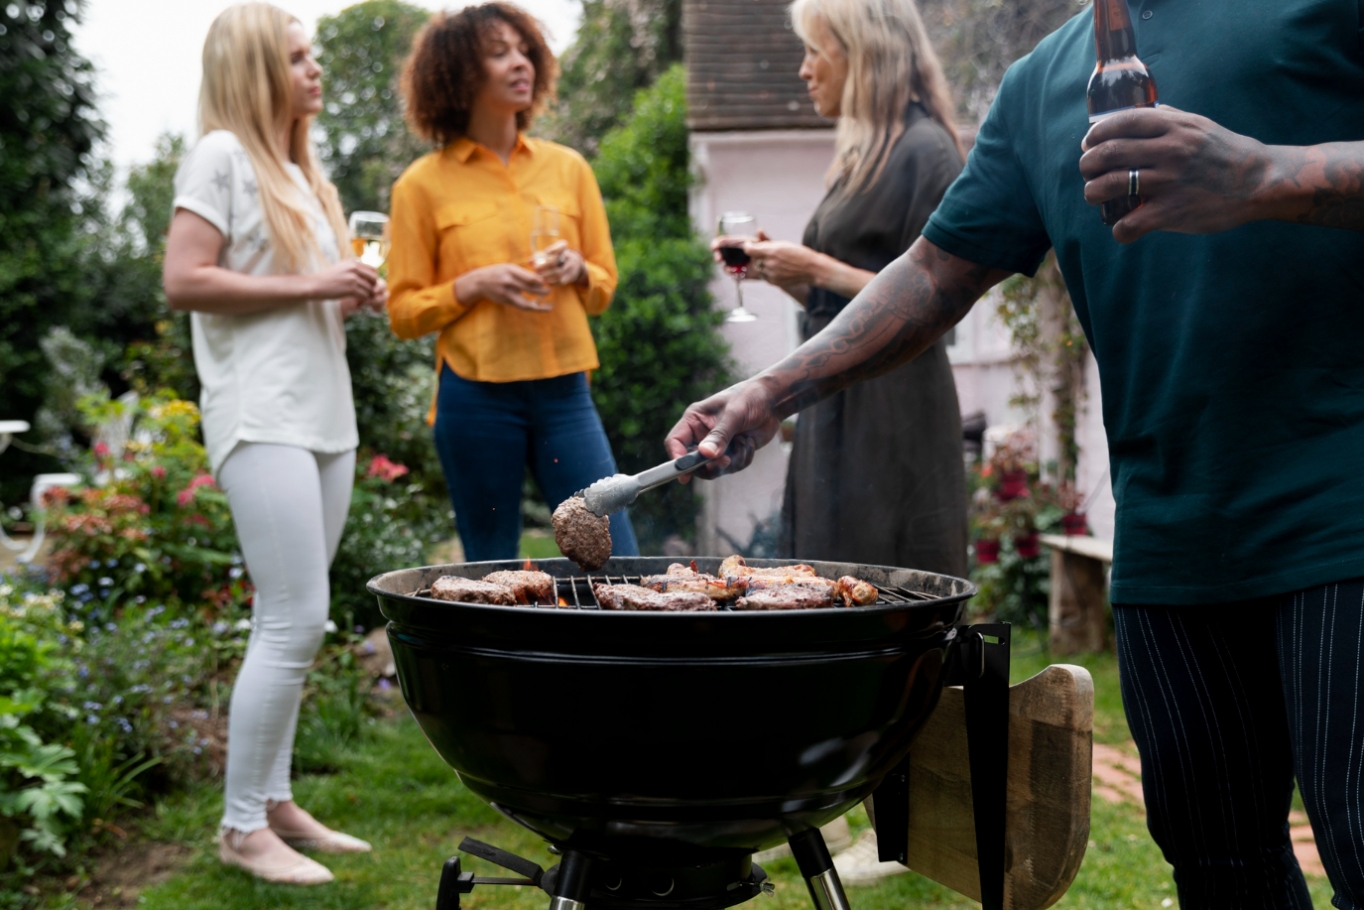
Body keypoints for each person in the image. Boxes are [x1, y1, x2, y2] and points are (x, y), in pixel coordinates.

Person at [666, 0, 1364, 906]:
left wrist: (1262, 172)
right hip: (1171, 533)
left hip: (1345, 501)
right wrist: (772, 390)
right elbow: (934, 272)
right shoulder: (1042, 82)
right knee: (1219, 864)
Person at [163, 3, 385, 885]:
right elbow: (185, 279)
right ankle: (240, 827)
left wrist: (341, 296)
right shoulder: (218, 155)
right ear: (255, 72)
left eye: (312, 54)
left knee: (297, 616)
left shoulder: (298, 172)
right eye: (296, 58)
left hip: (321, 414)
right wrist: (314, 282)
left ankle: (277, 800)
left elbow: (292, 295)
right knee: (292, 618)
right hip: (261, 416)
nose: (314, 69)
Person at [717, 0, 968, 581]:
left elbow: (939, 304)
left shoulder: (925, 152)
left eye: (814, 51)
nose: (804, 69)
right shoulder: (862, 157)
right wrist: (793, 277)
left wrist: (818, 268)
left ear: (860, 57)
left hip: (893, 413)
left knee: (883, 571)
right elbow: (855, 310)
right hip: (838, 400)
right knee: (824, 565)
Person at [388, 3, 638, 562]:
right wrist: (471, 284)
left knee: (617, 557)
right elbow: (402, 313)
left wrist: (578, 270)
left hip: (565, 394)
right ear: (457, 75)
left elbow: (603, 288)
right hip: (474, 398)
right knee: (489, 569)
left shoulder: (569, 168)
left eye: (524, 50)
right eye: (499, 53)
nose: (519, 63)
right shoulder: (420, 187)